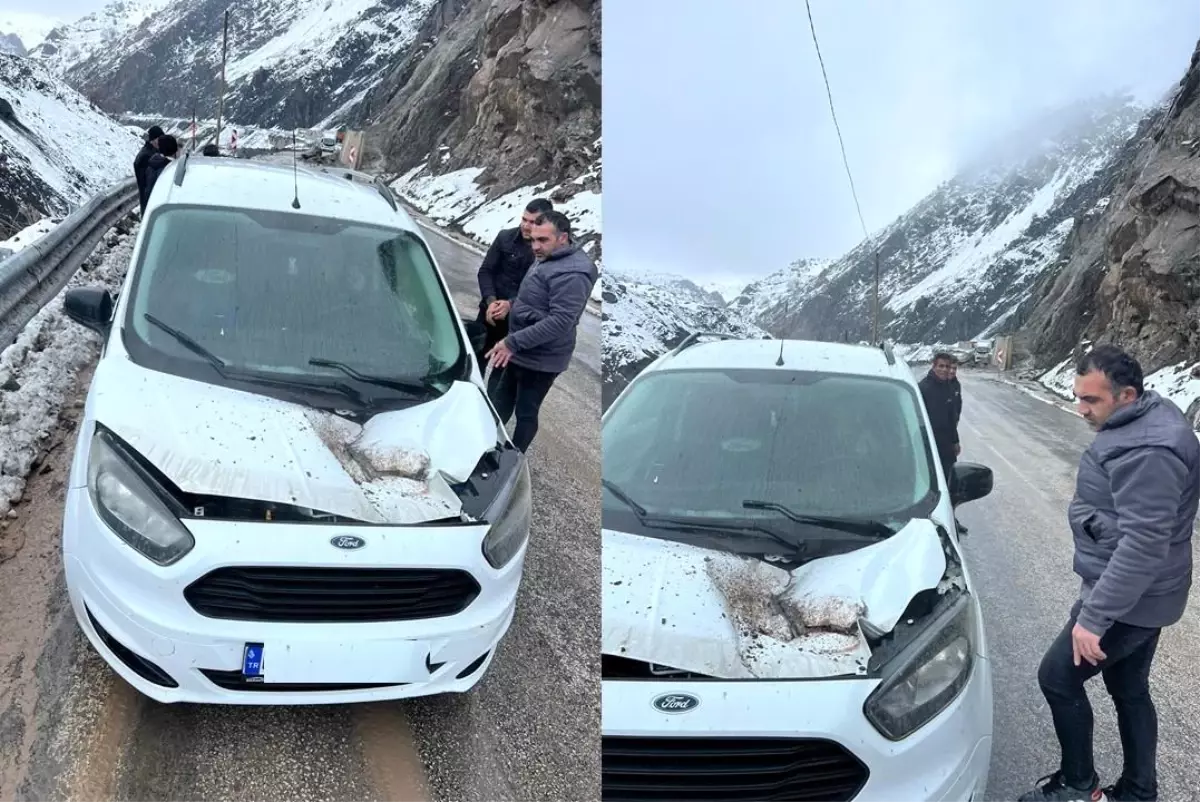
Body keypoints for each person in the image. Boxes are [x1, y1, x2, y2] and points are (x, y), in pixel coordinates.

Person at [1019, 345, 1200, 802]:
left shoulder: (1149, 451)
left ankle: (1079, 786)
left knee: (1057, 678)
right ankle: (1139, 792)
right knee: (1129, 687)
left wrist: (1094, 618)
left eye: (1091, 401)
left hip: (1128, 601)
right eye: (1077, 397)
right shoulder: (1145, 420)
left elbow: (1144, 545)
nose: (1079, 410)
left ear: (1127, 395)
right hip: (1144, 595)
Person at [484, 210, 596, 452]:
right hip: (522, 347)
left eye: (542, 240)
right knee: (500, 400)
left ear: (563, 238)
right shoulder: (549, 256)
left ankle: (514, 458)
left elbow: (561, 321)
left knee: (526, 411)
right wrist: (511, 305)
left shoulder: (573, 274)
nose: (535, 246)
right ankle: (484, 445)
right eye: (533, 239)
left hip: (542, 359)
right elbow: (535, 298)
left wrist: (512, 343)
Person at [476, 198, 554, 394]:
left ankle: (493, 415)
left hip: (518, 324)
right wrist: (491, 301)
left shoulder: (548, 252)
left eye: (532, 222)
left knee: (501, 376)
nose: (526, 226)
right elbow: (486, 271)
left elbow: (541, 292)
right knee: (474, 361)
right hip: (489, 315)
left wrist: (511, 305)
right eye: (524, 219)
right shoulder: (505, 237)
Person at [918, 352, 961, 487]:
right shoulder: (923, 388)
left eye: (947, 367)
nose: (944, 370)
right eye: (941, 366)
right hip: (928, 444)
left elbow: (951, 418)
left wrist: (955, 441)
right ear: (934, 366)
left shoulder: (949, 386)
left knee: (948, 482)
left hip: (946, 446)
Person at [141, 135, 179, 210]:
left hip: (156, 209)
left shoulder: (153, 164)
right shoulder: (171, 168)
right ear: (175, 150)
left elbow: (148, 191)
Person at [134, 125, 164, 214]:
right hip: (149, 202)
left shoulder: (154, 152)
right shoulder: (145, 156)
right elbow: (147, 183)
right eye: (160, 139)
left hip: (154, 201)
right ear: (153, 139)